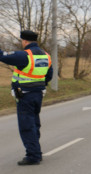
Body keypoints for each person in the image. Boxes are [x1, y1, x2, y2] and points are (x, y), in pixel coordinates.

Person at [0, 30, 53, 165]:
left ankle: (33, 155)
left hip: (25, 95)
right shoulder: (47, 56)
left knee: (26, 126)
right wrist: (39, 85)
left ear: (24, 41)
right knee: (34, 123)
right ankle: (36, 151)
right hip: (38, 94)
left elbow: (2, 56)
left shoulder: (25, 55)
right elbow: (49, 75)